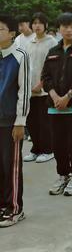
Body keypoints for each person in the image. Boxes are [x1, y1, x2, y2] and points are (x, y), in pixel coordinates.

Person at [42, 13, 72, 196]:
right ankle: (62, 175)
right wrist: (55, 96)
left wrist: (67, 97)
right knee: (58, 144)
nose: (68, 29)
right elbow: (45, 77)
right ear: (59, 29)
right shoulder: (53, 51)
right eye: (64, 26)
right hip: (54, 107)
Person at [0, 14, 31, 227]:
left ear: (12, 33)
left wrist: (20, 121)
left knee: (11, 166)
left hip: (11, 122)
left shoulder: (20, 56)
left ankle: (15, 209)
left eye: (0, 29)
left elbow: (24, 91)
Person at [23, 12, 57, 164]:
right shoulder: (28, 42)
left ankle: (48, 150)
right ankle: (36, 149)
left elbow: (52, 66)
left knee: (44, 122)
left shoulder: (51, 42)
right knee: (31, 121)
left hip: (44, 89)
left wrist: (41, 84)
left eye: (40, 23)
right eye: (34, 23)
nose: (37, 25)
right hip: (29, 89)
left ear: (46, 25)